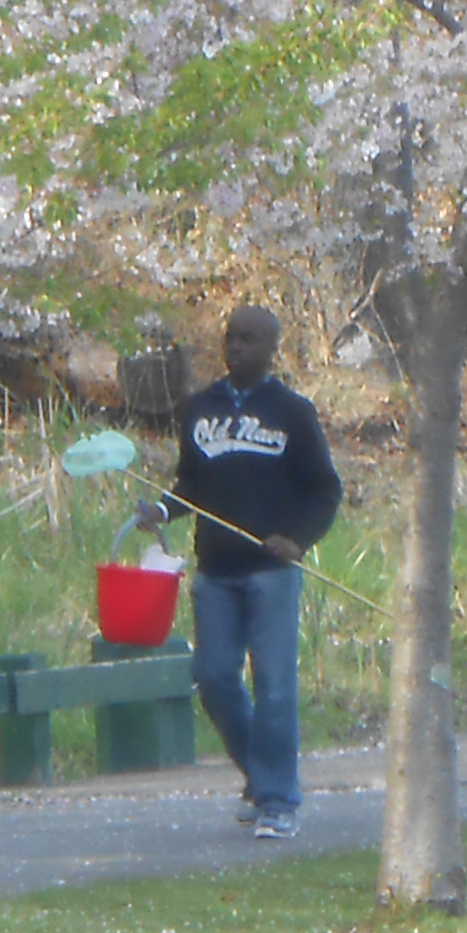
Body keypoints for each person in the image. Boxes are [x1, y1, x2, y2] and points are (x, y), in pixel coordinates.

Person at [141, 303, 343, 840]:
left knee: (275, 686)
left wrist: (297, 540)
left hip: (271, 572)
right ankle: (261, 774)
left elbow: (326, 489)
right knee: (212, 677)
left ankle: (278, 800)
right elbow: (191, 486)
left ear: (272, 347)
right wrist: (161, 510)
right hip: (216, 572)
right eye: (232, 337)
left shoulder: (293, 412)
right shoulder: (198, 409)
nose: (237, 347)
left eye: (250, 339)